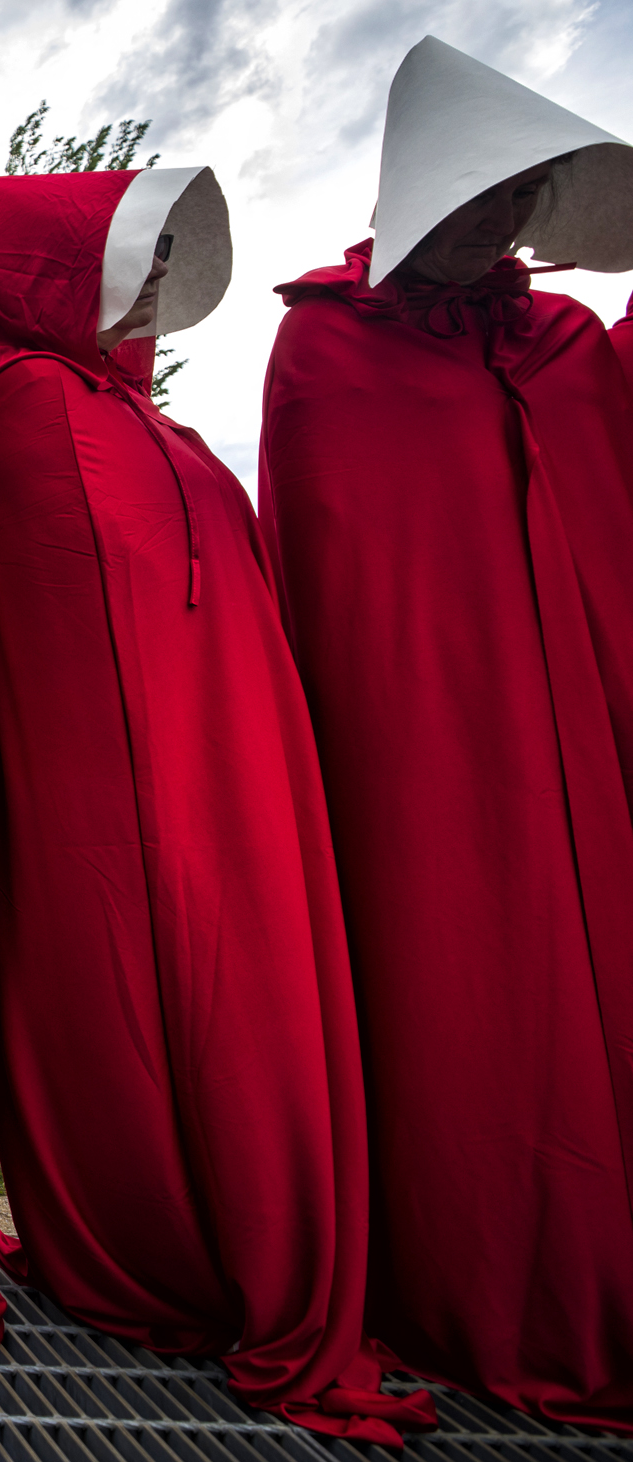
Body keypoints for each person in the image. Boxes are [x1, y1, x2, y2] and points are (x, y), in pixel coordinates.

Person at [0, 165, 438, 1445]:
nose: (151, 283)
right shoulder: (33, 409)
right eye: (124, 258)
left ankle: (255, 1239)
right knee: (200, 1000)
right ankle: (232, 1247)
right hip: (151, 798)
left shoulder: (151, 423)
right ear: (48, 278)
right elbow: (91, 643)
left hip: (234, 767)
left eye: (159, 260)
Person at [259, 36, 633, 1432]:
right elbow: (339, 586)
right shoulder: (325, 351)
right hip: (424, 774)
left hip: (585, 750)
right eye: (480, 190)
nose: (505, 218)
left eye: (528, 191)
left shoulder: (569, 348)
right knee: (466, 1007)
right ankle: (480, 1285)